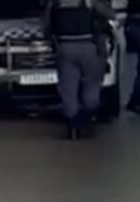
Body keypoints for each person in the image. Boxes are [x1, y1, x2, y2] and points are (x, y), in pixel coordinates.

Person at [45, 0, 116, 140]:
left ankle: (73, 126)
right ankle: (88, 114)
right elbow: (110, 15)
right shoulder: (89, 2)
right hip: (88, 47)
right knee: (92, 83)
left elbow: (46, 26)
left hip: (64, 48)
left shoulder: (56, 2)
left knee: (68, 87)